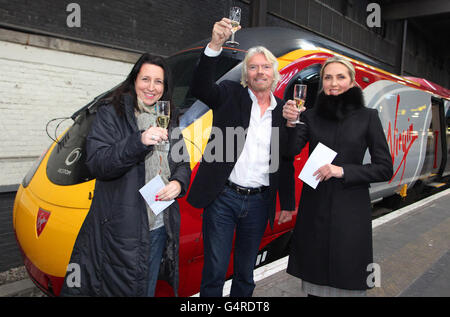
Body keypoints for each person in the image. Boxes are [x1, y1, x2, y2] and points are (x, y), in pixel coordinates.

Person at [60, 53, 191, 296]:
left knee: (147, 290)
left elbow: (183, 162)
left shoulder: (169, 119)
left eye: (158, 82)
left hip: (160, 227)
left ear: (165, 87)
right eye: (145, 79)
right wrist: (138, 141)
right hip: (123, 233)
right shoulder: (112, 113)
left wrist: (178, 183)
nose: (151, 87)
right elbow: (98, 163)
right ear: (134, 80)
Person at [186, 18, 296, 297]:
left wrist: (288, 202)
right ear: (246, 74)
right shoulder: (228, 94)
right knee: (215, 269)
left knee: (245, 273)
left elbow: (285, 158)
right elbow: (200, 87)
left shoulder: (283, 111)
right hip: (223, 198)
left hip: (260, 202)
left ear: (275, 73)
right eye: (253, 67)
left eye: (265, 66)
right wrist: (215, 44)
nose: (260, 71)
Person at [281, 56, 393, 296]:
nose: (334, 83)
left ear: (352, 83)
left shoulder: (368, 117)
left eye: (341, 77)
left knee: (348, 279)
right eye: (328, 77)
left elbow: (385, 168)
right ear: (322, 83)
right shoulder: (310, 116)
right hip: (315, 212)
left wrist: (342, 170)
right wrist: (291, 123)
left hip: (350, 214)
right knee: (315, 283)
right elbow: (289, 152)